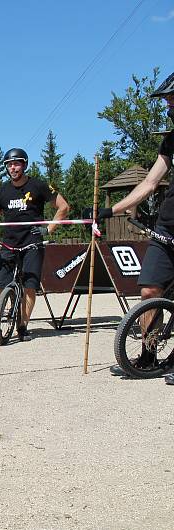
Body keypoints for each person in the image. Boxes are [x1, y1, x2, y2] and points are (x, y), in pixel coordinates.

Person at [87, 72, 174, 380]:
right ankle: (149, 354)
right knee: (150, 290)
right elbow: (150, 183)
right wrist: (111, 210)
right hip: (167, 228)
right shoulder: (171, 141)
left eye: (171, 100)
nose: (168, 107)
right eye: (166, 101)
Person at [0, 147, 70, 343]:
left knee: (29, 286)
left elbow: (64, 207)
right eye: (10, 164)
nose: (13, 167)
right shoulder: (1, 191)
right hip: (9, 243)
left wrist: (49, 229)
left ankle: (23, 325)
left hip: (33, 243)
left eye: (17, 163)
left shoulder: (39, 186)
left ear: (24, 165)